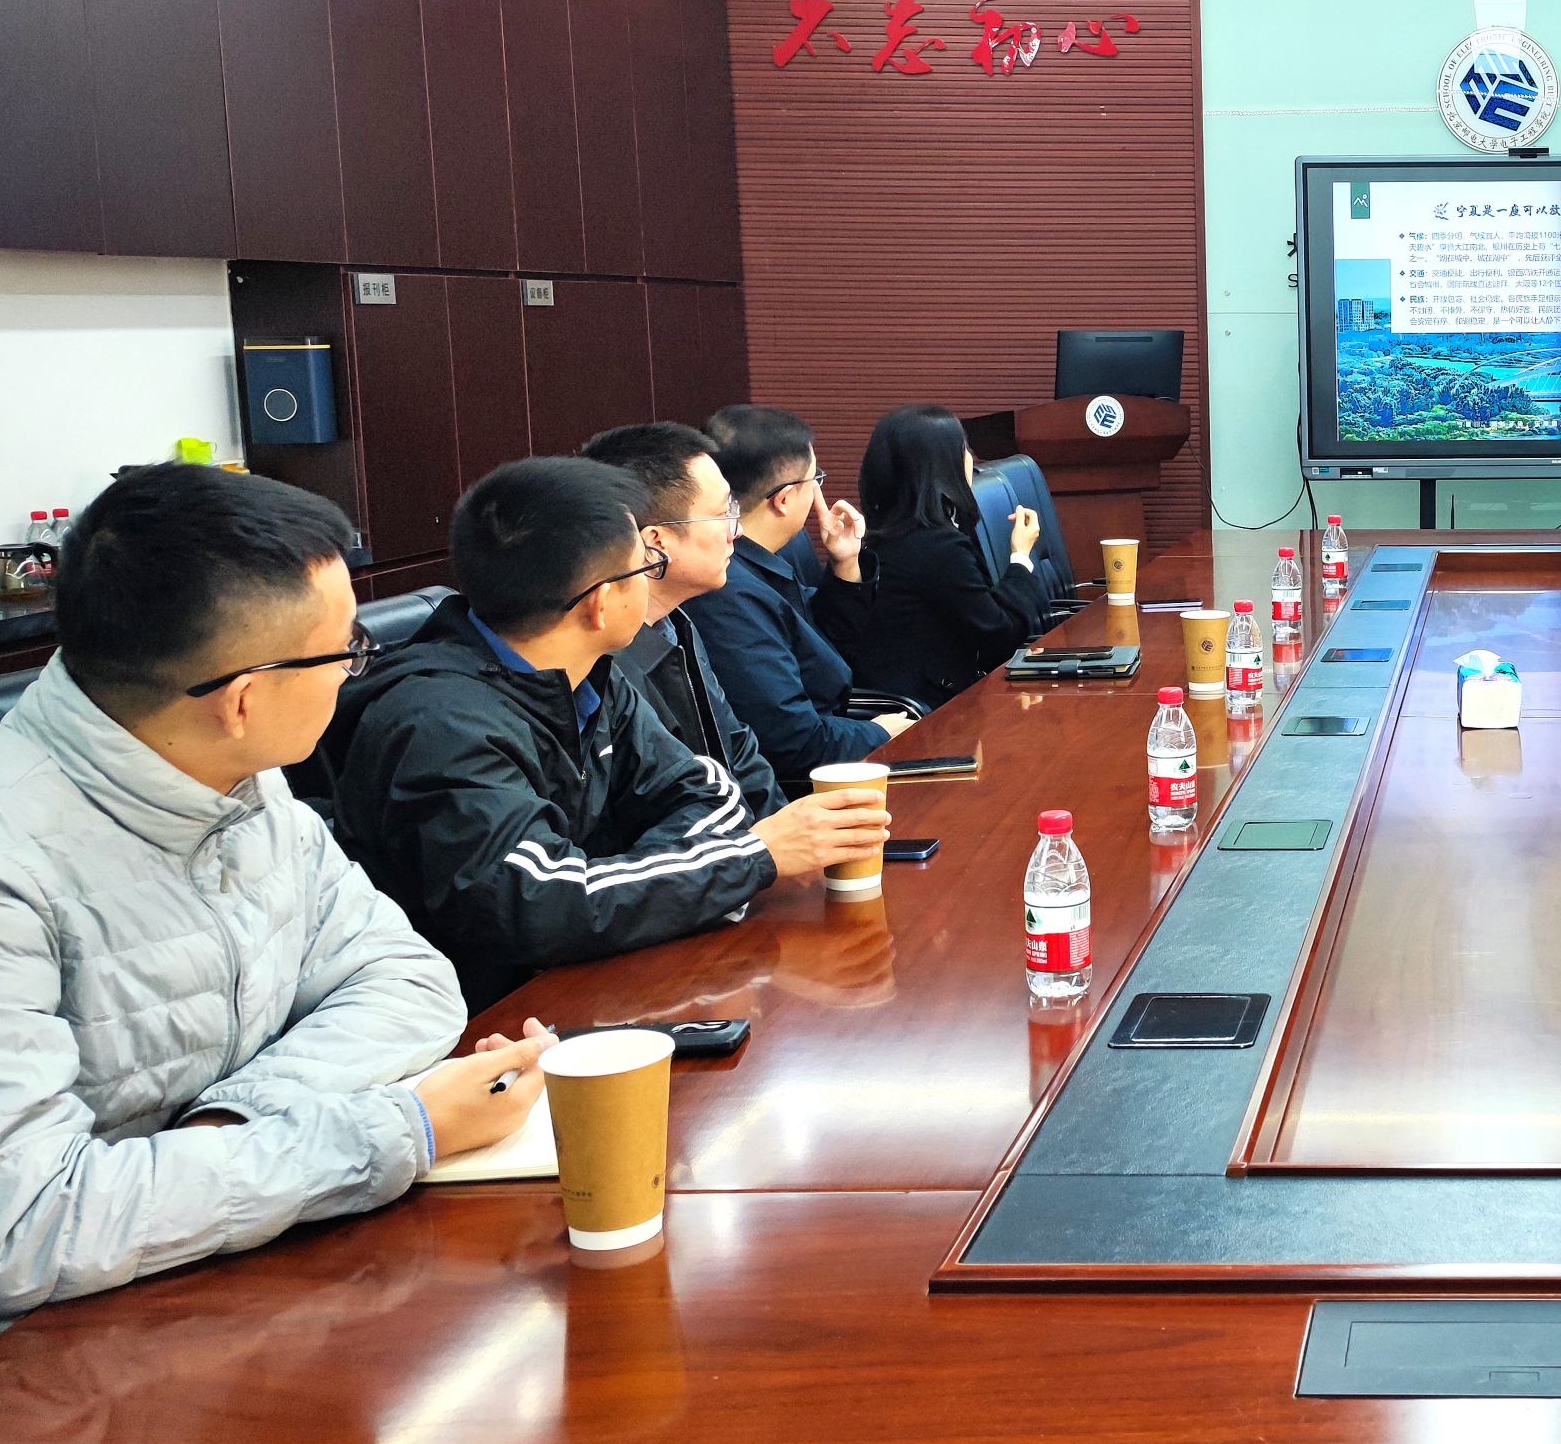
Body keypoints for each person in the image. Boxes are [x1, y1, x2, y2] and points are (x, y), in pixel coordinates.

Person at [0, 464, 551, 1369]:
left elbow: (406, 978)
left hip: (234, 1283)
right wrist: (394, 1130)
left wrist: (233, 1127)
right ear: (242, 697)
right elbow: (17, 1227)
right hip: (35, 1370)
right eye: (345, 649)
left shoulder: (241, 780)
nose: (356, 668)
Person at [325, 457, 893, 1010]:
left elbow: (712, 794)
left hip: (599, 983)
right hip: (487, 1026)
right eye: (644, 567)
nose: (651, 580)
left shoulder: (591, 674)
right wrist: (747, 858)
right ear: (600, 604)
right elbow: (541, 904)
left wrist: (632, 886)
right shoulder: (438, 723)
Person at [682, 405, 912, 786]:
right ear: (784, 499)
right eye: (814, 479)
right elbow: (796, 743)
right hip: (802, 781)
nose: (818, 490)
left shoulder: (779, 548)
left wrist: (845, 563)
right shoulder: (725, 591)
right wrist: (880, 732)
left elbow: (825, 644)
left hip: (831, 732)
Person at [581, 422, 784, 819]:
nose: (737, 530)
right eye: (722, 514)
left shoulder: (676, 623)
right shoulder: (598, 661)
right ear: (654, 543)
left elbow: (737, 749)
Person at [849, 404, 1049, 706]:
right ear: (945, 465)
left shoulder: (896, 534)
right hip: (925, 714)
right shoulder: (935, 547)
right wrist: (1020, 557)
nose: (971, 458)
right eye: (964, 448)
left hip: (932, 697)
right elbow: (999, 638)